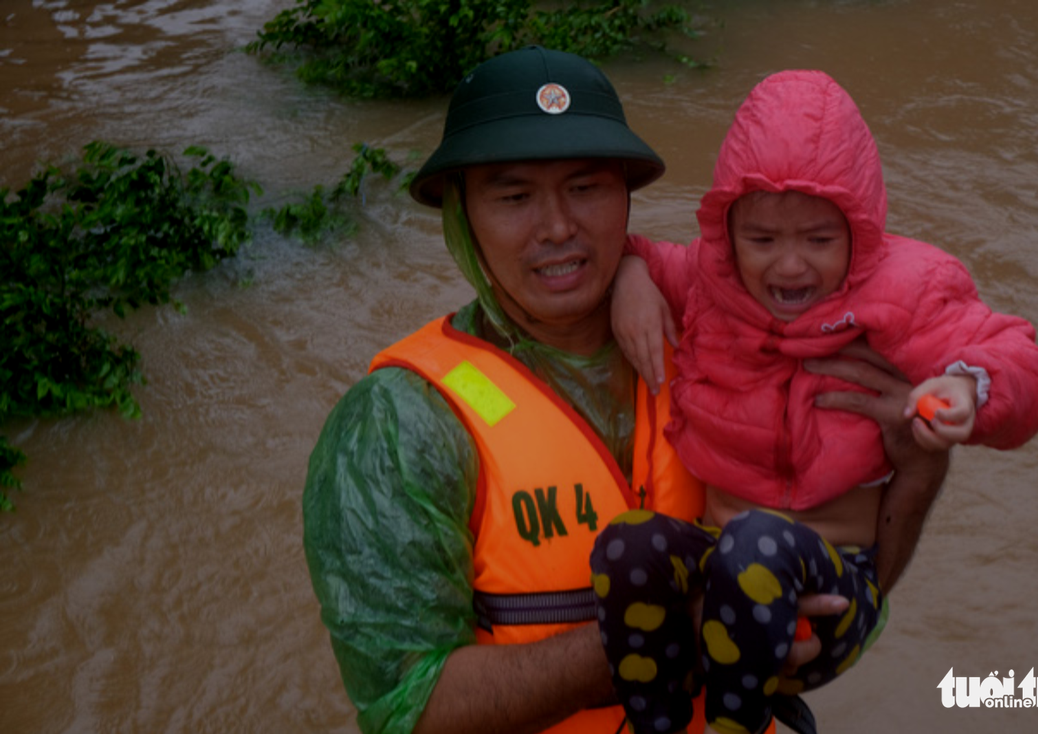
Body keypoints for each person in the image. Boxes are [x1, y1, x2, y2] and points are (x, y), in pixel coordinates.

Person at [302, 49, 951, 734]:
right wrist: (680, 628)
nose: (557, 227)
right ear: (461, 214)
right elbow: (409, 709)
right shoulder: (399, 421)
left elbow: (851, 590)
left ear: (627, 198)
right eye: (514, 196)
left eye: (586, 188)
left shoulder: (731, 344)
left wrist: (918, 467)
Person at [591, 69, 1038, 734]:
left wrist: (964, 388)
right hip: (723, 563)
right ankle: (656, 724)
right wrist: (633, 277)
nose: (789, 267)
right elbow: (629, 251)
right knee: (626, 546)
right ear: (727, 233)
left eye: (818, 240)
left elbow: (1021, 362)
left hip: (839, 585)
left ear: (860, 232)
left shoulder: (906, 286)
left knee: (754, 543)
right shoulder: (706, 277)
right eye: (762, 241)